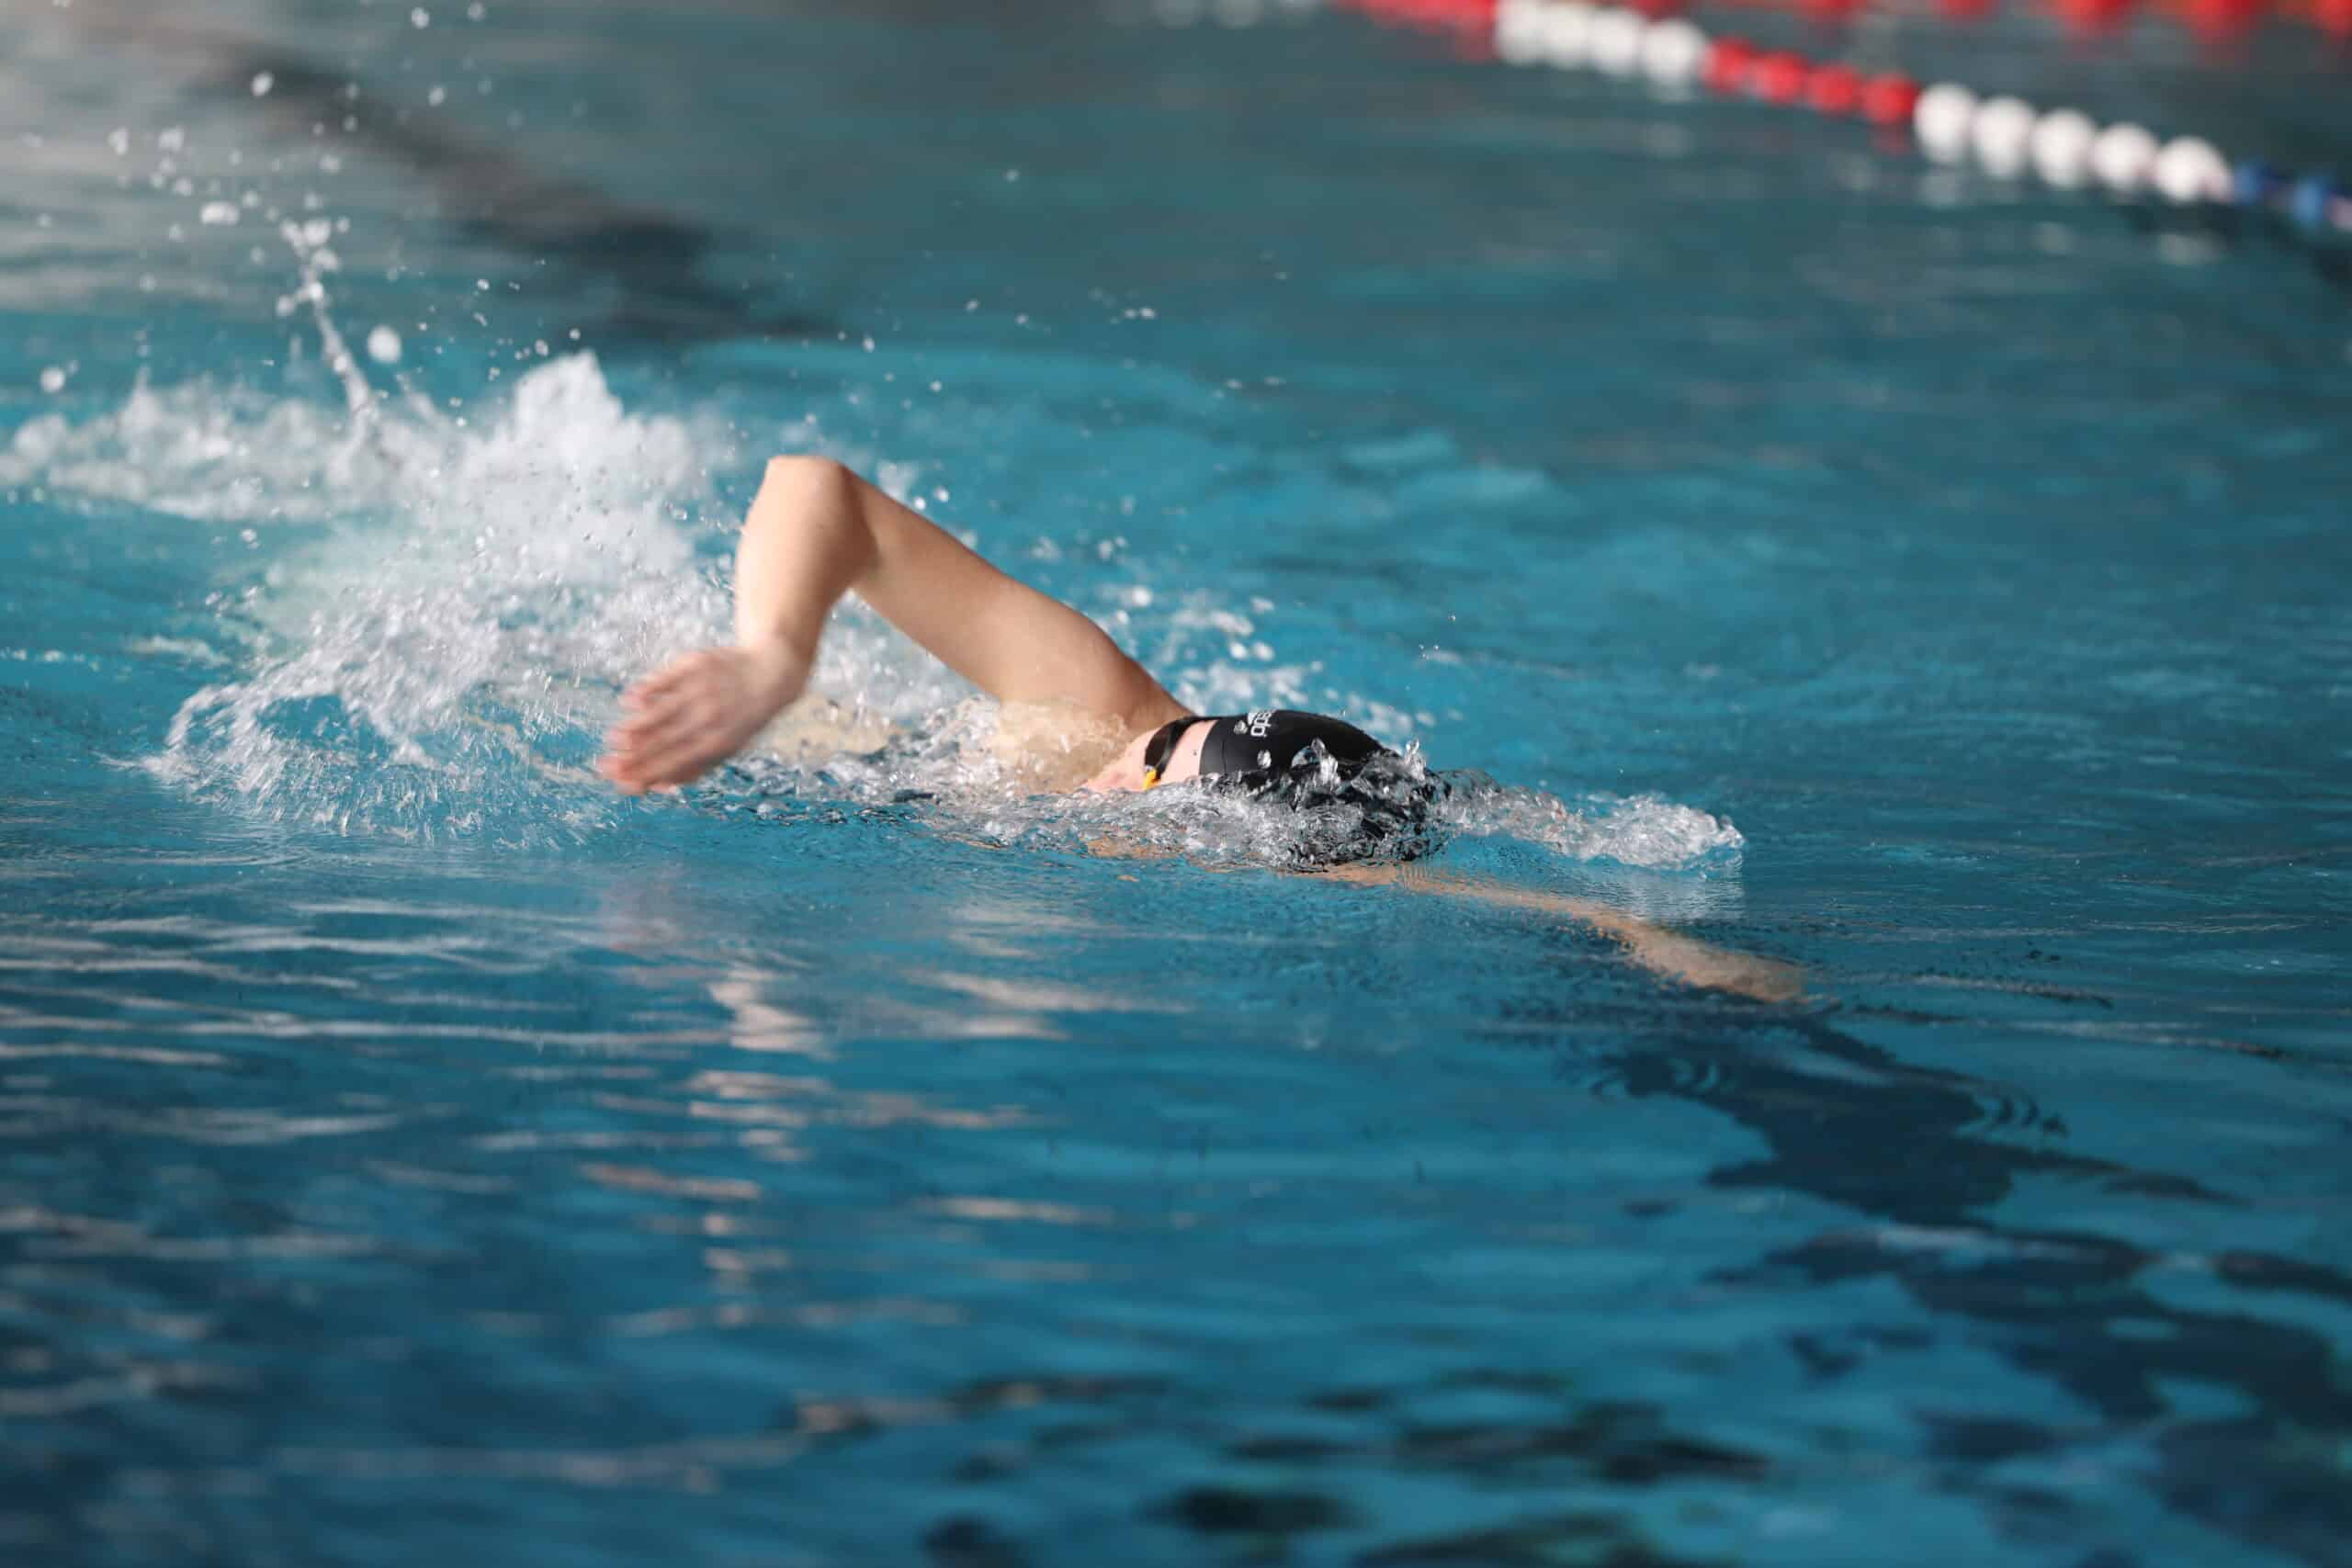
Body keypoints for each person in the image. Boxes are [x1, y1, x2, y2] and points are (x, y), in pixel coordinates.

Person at [599, 456, 1800, 1002]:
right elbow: (814, 486)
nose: (1129, 785)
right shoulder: (1096, 708)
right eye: (1160, 754)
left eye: (1165, 782)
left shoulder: (1282, 837)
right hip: (676, 701)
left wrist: (1628, 932)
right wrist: (772, 658)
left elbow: (1436, 886)